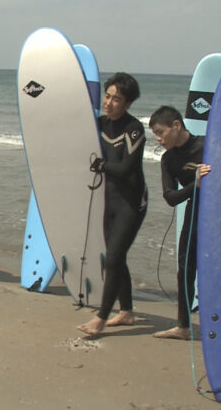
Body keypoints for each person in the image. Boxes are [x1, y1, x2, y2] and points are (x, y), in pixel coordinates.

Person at [78, 72, 148, 336]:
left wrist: (103, 166)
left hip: (132, 202)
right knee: (117, 257)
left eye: (116, 99)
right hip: (110, 200)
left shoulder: (134, 129)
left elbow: (128, 168)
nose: (109, 102)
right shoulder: (99, 124)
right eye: (107, 96)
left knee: (113, 258)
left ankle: (102, 318)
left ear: (127, 103)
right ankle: (127, 312)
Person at [149, 106, 211, 340]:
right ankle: (183, 326)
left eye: (160, 132)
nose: (158, 138)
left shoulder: (208, 144)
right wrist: (192, 186)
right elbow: (170, 198)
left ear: (176, 125)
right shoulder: (169, 159)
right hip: (194, 215)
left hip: (220, 218)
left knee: (217, 271)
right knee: (185, 270)